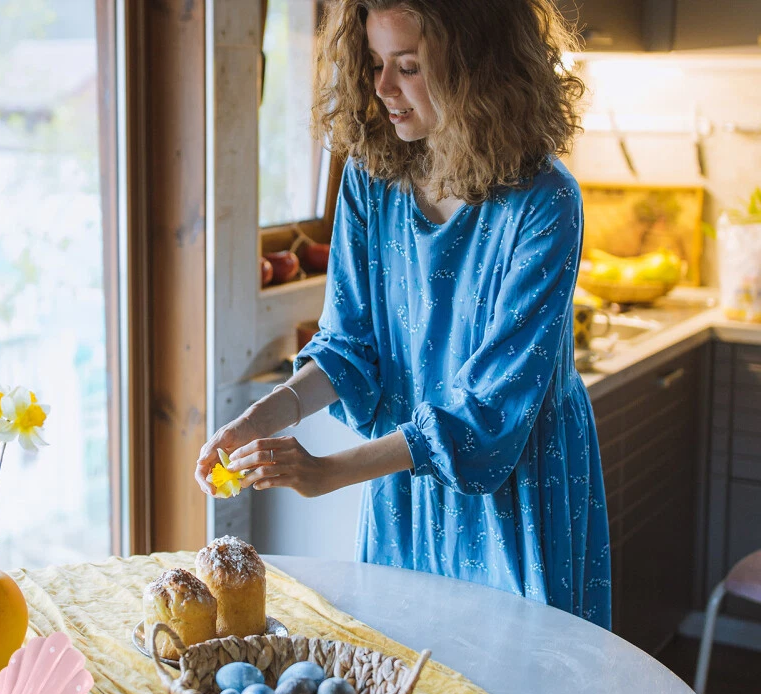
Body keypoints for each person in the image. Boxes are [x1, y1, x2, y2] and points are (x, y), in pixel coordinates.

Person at [195, 0, 610, 628]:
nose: (384, 87)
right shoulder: (371, 180)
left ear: (477, 67)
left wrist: (326, 472)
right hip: (407, 486)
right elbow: (349, 348)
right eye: (375, 63)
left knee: (515, 677)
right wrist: (262, 417)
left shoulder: (545, 203)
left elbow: (490, 414)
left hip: (517, 487)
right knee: (403, 664)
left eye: (409, 67)